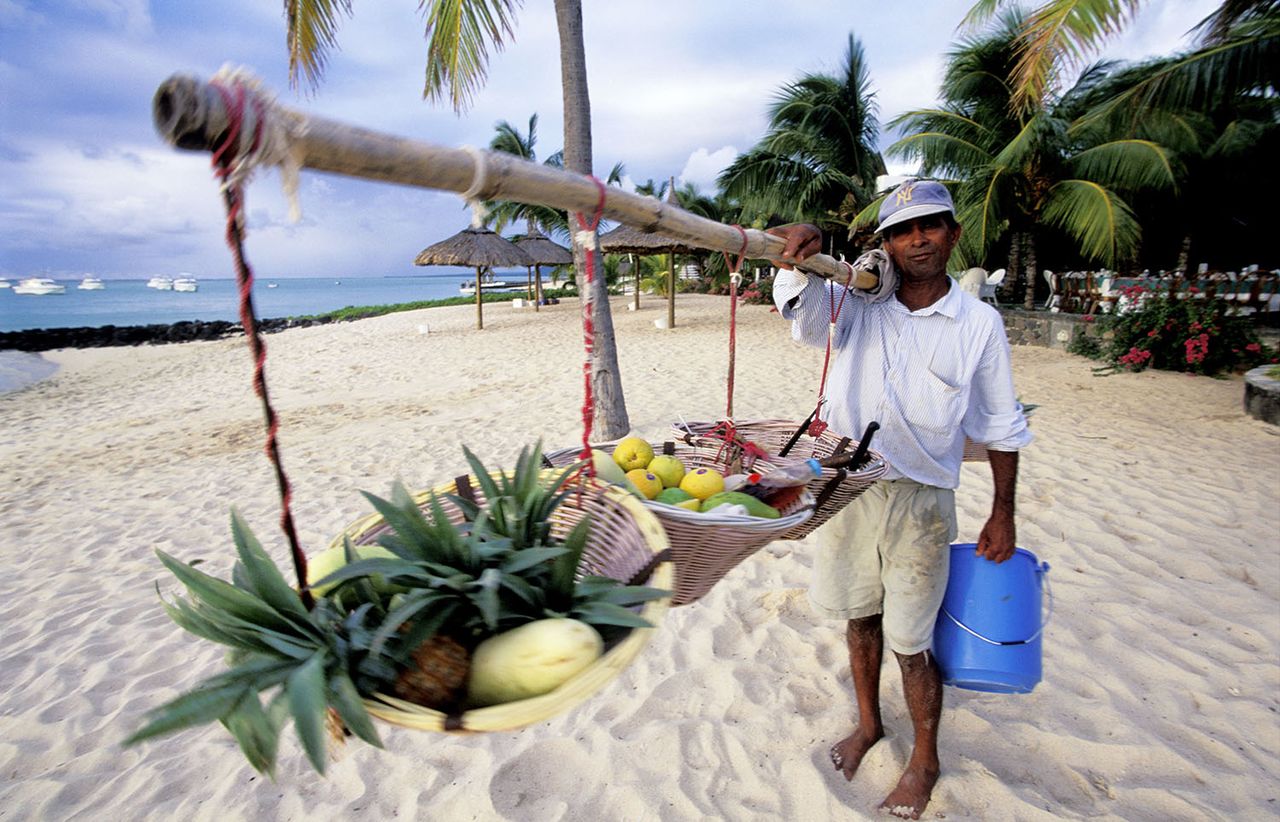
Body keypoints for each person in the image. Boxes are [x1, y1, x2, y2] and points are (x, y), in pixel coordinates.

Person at [767, 179, 1032, 820]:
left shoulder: (978, 323)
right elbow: (802, 315)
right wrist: (800, 254)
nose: (918, 239)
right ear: (886, 242)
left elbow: (1001, 423)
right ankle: (868, 725)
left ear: (953, 234)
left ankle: (926, 759)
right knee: (859, 618)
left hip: (922, 498)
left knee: (912, 642)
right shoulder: (857, 298)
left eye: (931, 225)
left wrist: (1003, 511)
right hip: (848, 486)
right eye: (903, 230)